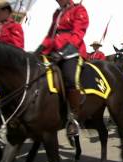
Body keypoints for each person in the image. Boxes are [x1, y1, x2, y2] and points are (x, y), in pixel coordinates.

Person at [34, 0, 89, 136]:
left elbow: (78, 33)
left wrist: (65, 51)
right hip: (53, 51)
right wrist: (39, 49)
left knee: (70, 79)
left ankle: (73, 119)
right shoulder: (57, 13)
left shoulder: (79, 9)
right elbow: (50, 35)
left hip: (72, 52)